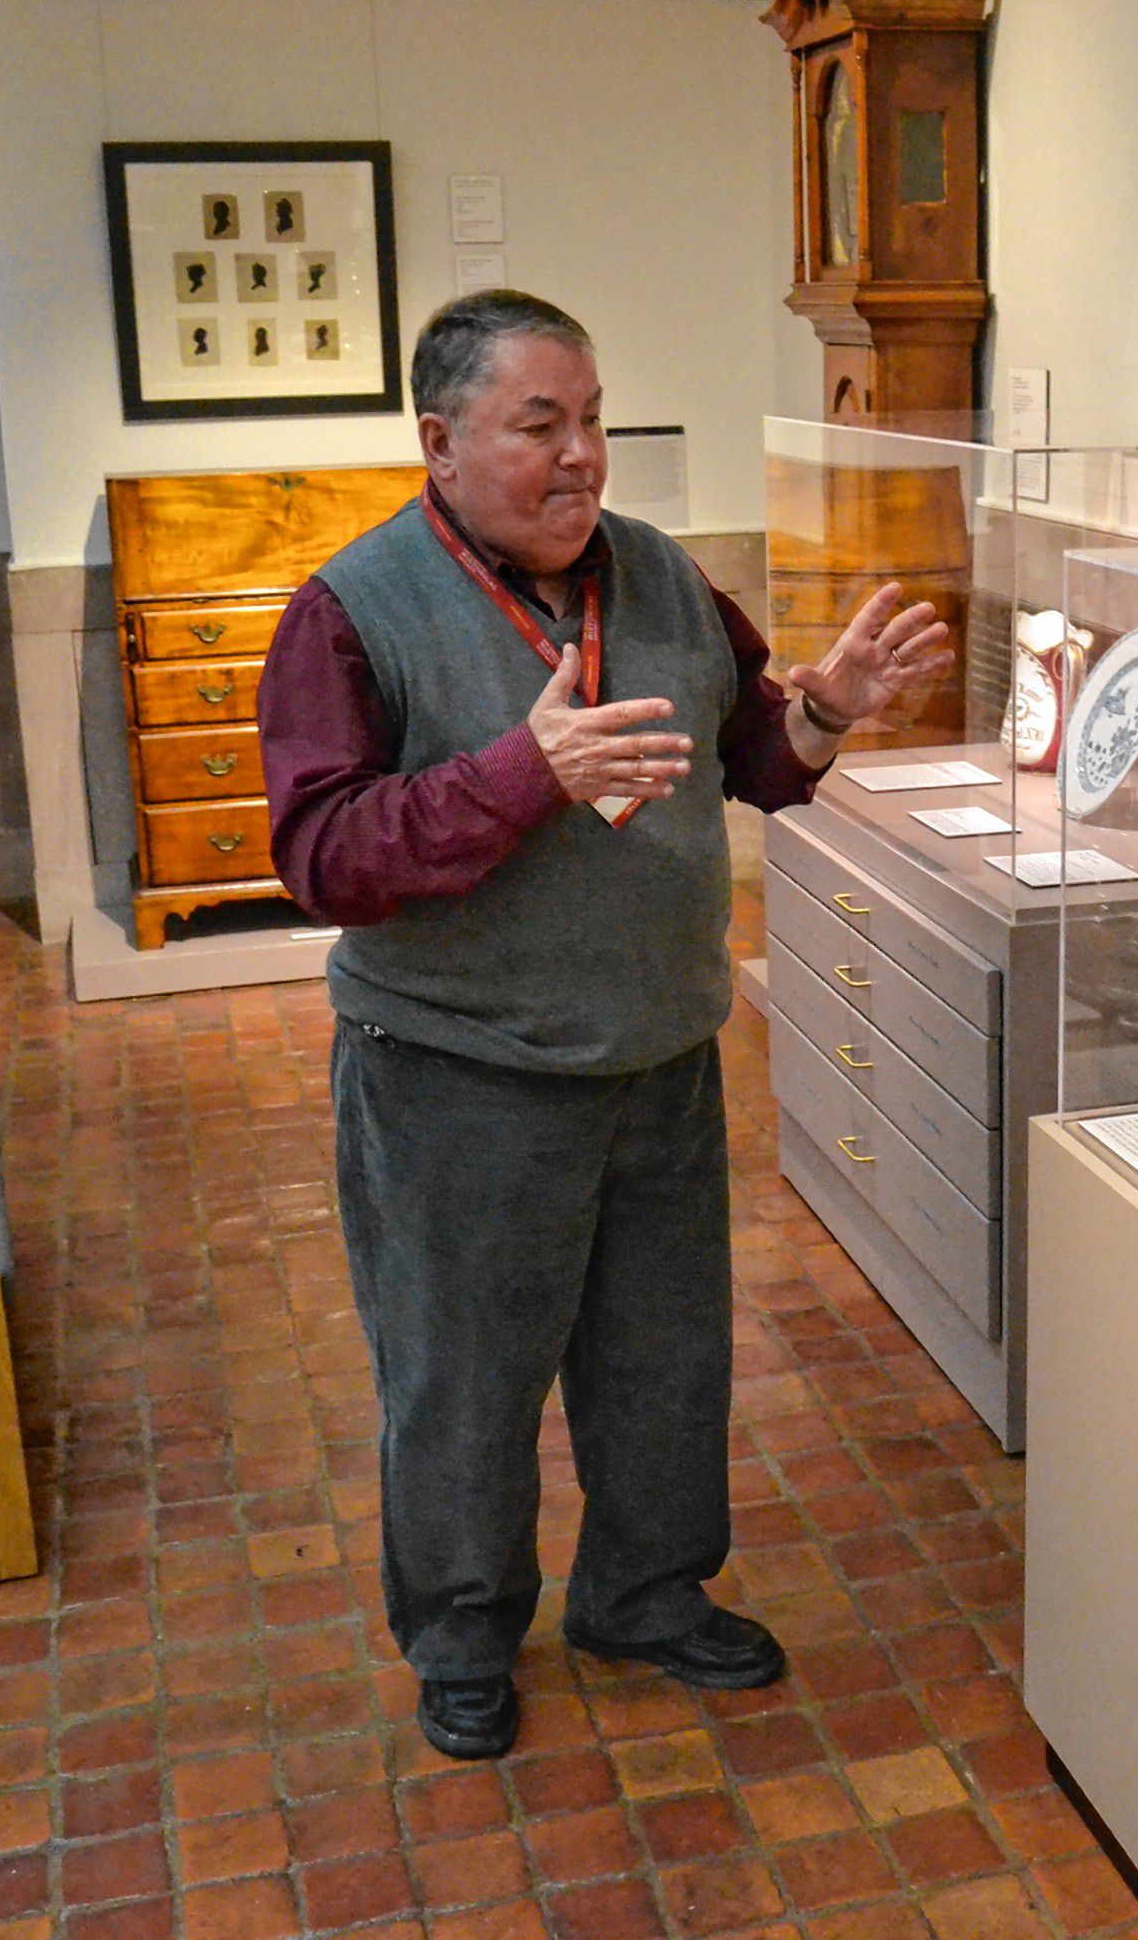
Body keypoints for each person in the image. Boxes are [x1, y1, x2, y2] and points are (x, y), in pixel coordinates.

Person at [257, 289, 951, 1760]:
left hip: (658, 1057)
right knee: (462, 1378)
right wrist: (523, 775)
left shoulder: (658, 575)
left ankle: (641, 1591)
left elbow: (751, 748)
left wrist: (827, 708)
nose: (583, 458)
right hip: (460, 1075)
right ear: (439, 443)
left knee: (663, 1355)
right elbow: (325, 857)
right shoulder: (354, 610)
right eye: (539, 427)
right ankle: (461, 1631)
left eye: (594, 422)